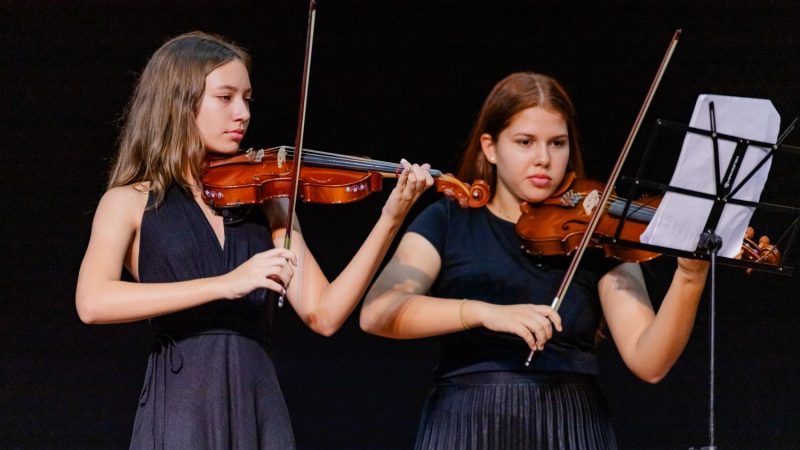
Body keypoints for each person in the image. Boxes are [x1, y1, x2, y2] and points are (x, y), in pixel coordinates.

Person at [75, 31, 433, 449]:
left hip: (257, 401)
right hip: (183, 403)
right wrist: (226, 284)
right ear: (178, 100)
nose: (242, 113)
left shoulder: (266, 202)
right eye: (225, 98)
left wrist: (391, 218)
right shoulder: (129, 201)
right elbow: (93, 302)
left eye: (247, 98)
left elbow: (325, 313)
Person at [360, 72, 710, 449]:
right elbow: (378, 312)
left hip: (570, 427)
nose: (543, 159)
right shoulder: (449, 220)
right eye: (525, 142)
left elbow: (650, 361)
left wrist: (690, 278)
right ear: (490, 148)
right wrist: (483, 311)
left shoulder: (594, 231)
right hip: (466, 424)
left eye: (557, 144)